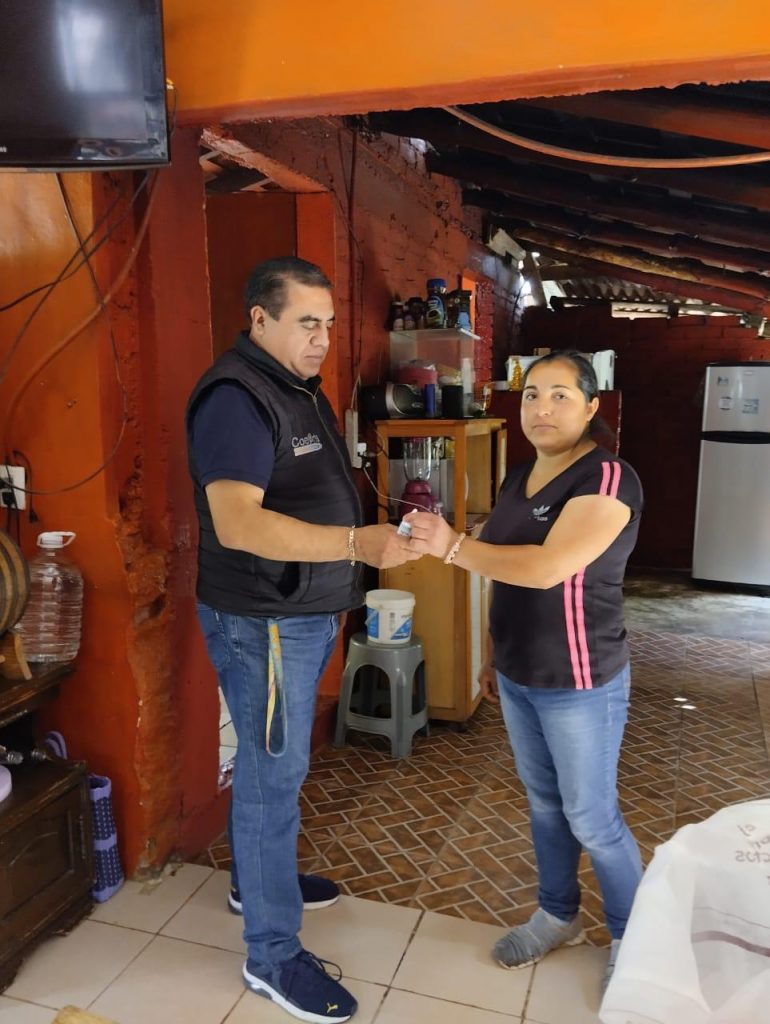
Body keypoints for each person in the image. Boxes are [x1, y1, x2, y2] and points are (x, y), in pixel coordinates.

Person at [185, 257, 417, 1023]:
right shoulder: (235, 398)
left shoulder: (293, 386)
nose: (322, 339)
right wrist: (354, 544)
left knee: (273, 768)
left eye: (328, 323)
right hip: (265, 624)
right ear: (259, 319)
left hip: (296, 614)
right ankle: (272, 956)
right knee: (271, 778)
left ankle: (253, 885)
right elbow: (238, 523)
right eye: (306, 323)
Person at [406, 350, 643, 994]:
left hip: (579, 677)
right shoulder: (520, 478)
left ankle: (635, 940)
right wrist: (491, 652)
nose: (542, 408)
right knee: (545, 805)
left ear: (592, 407)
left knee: (593, 818)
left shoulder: (607, 478)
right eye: (532, 394)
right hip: (518, 672)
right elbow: (503, 574)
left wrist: (451, 545)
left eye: (561, 395)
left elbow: (545, 570)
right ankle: (558, 915)